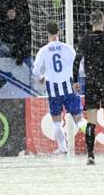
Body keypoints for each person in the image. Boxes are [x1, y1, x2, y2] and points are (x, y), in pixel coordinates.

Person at [75, 10, 104, 165]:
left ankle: (90, 156)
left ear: (91, 22)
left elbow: (77, 61)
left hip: (91, 82)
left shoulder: (84, 39)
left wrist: (74, 80)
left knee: (91, 121)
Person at [32, 22, 81, 156]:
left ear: (46, 33)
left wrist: (41, 78)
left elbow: (35, 71)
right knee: (78, 118)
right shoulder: (68, 48)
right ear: (59, 32)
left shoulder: (43, 50)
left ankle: (63, 148)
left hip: (53, 90)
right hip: (69, 88)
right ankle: (90, 143)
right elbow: (78, 67)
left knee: (57, 122)